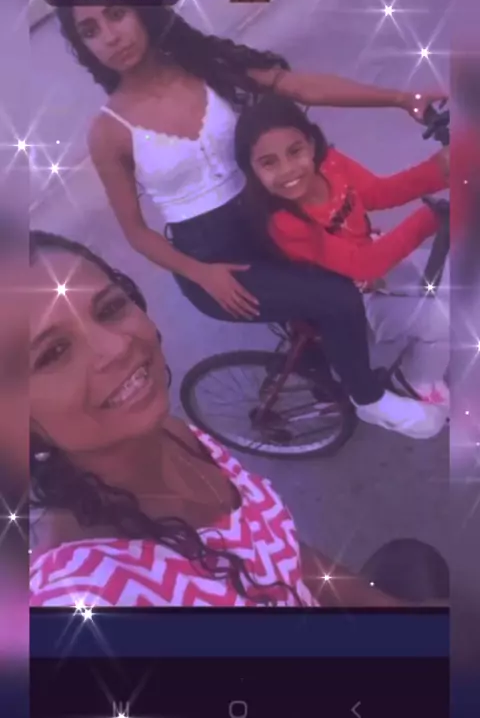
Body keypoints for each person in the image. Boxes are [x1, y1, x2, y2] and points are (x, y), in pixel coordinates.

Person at [54, 0, 447, 436]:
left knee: (364, 262)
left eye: (116, 14)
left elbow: (301, 88)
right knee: (339, 297)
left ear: (141, 9)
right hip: (216, 261)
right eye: (90, 30)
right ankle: (368, 399)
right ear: (84, 47)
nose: (110, 36)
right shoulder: (109, 131)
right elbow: (136, 233)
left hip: (277, 220)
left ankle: (328, 363)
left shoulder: (207, 67)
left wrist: (399, 98)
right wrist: (202, 274)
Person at [29, 231, 406, 608]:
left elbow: (286, 556)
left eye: (109, 308)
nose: (116, 347)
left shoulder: (177, 435)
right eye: (53, 353)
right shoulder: (80, 593)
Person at [234, 94, 450, 417]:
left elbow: (379, 193)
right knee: (442, 320)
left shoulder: (332, 164)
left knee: (458, 284)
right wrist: (433, 217)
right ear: (250, 170)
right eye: (268, 162)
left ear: (311, 144)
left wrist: (441, 168)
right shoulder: (285, 221)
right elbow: (363, 266)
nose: (288, 170)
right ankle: (416, 381)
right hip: (351, 299)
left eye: (295, 151)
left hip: (373, 262)